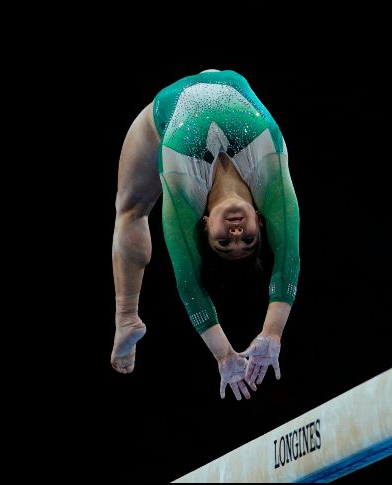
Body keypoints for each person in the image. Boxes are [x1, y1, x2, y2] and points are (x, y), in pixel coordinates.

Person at [110, 69, 300, 400]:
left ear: (205, 223)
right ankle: (126, 319)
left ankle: (126, 316)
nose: (237, 234)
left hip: (161, 116)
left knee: (130, 209)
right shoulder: (269, 177)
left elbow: (188, 283)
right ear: (260, 218)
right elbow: (288, 258)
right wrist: (272, 334)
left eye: (223, 243)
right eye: (248, 239)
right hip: (232, 82)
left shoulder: (185, 190)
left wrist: (225, 356)